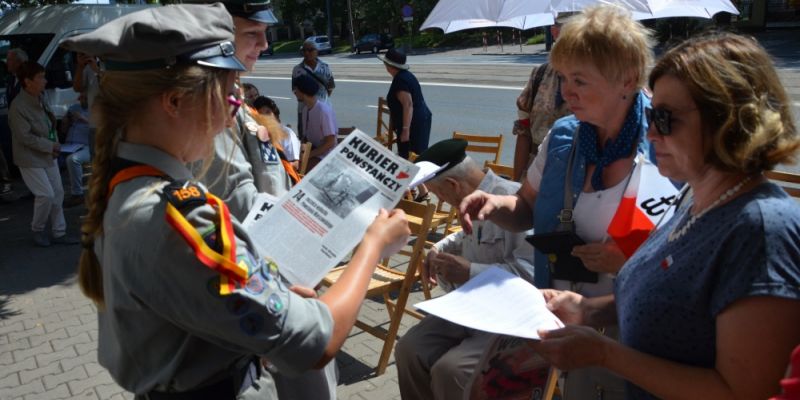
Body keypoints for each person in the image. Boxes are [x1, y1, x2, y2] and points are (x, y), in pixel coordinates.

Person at [65, 4, 410, 399]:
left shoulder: (125, 188)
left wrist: (265, 304)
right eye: (225, 93)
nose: (234, 110)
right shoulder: (181, 217)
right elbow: (316, 343)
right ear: (175, 101)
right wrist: (373, 244)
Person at [530, 31, 800, 400]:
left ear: (728, 119)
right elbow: (672, 298)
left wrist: (605, 353)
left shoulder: (762, 229)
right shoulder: (696, 199)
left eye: (666, 118)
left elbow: (744, 392)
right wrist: (588, 310)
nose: (652, 132)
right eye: (652, 114)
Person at [459, 6, 656, 398]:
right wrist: (495, 205)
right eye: (563, 77)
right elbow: (526, 210)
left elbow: (682, 258)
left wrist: (629, 261)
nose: (566, 92)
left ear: (627, 79)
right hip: (552, 314)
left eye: (579, 80)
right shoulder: (564, 136)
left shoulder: (663, 146)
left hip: (626, 330)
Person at [395, 138, 536, 400]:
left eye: (439, 194)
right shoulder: (471, 199)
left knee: (452, 371)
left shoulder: (513, 201)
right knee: (409, 348)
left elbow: (532, 276)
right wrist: (439, 249)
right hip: (472, 307)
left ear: (452, 185)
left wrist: (470, 271)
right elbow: (467, 235)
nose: (441, 200)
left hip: (510, 316)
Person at [193, 0, 296, 221]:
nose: (264, 44)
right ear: (218, 37)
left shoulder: (231, 93)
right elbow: (239, 205)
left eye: (265, 33)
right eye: (252, 33)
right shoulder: (214, 108)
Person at [9, 61, 76, 247]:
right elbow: (24, 137)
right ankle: (37, 230)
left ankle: (59, 233)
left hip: (48, 153)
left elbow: (48, 125)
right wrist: (50, 145)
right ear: (27, 81)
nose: (45, 81)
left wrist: (54, 142)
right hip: (29, 157)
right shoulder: (18, 106)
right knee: (45, 194)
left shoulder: (41, 97)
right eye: (40, 77)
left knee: (58, 193)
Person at [512, 18, 571, 181]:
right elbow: (524, 133)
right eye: (571, 29)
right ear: (555, 32)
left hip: (577, 179)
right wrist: (516, 184)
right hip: (536, 177)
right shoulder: (540, 75)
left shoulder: (602, 80)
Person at [379, 48, 432, 200]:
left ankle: (410, 192)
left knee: (408, 157)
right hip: (419, 120)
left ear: (389, 65)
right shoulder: (405, 76)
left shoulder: (400, 80)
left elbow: (408, 105)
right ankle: (418, 191)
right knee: (410, 158)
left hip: (412, 124)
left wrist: (405, 129)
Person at [292, 38, 335, 138]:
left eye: (310, 50)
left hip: (323, 108)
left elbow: (331, 87)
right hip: (304, 109)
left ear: (317, 51)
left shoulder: (325, 67)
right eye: (304, 50)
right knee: (305, 136)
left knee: (325, 135)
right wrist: (308, 102)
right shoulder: (297, 69)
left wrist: (319, 101)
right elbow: (295, 89)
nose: (307, 53)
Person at [293, 73, 336, 171]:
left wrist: (308, 155)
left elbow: (330, 142)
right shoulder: (305, 110)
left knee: (299, 170)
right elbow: (306, 138)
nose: (294, 92)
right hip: (313, 151)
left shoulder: (323, 111)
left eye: (296, 89)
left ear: (303, 90)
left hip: (326, 155)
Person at [253, 95, 301, 170]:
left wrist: (277, 169)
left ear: (274, 113)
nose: (266, 117)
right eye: (261, 115)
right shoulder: (256, 134)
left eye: (268, 112)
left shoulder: (286, 132)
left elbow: (295, 164)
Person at [61, 93, 91, 207]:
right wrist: (65, 122)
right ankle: (49, 193)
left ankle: (77, 194)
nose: (82, 100)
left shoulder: (97, 110)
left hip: (87, 146)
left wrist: (83, 118)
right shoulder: (74, 108)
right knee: (48, 153)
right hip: (69, 145)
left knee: (73, 160)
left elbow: (101, 128)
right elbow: (63, 131)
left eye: (85, 97)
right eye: (81, 97)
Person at [72, 51, 100, 158]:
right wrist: (80, 66)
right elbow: (77, 88)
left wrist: (97, 71)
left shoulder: (114, 64)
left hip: (112, 125)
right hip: (95, 125)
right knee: (96, 165)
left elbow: (111, 88)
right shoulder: (87, 67)